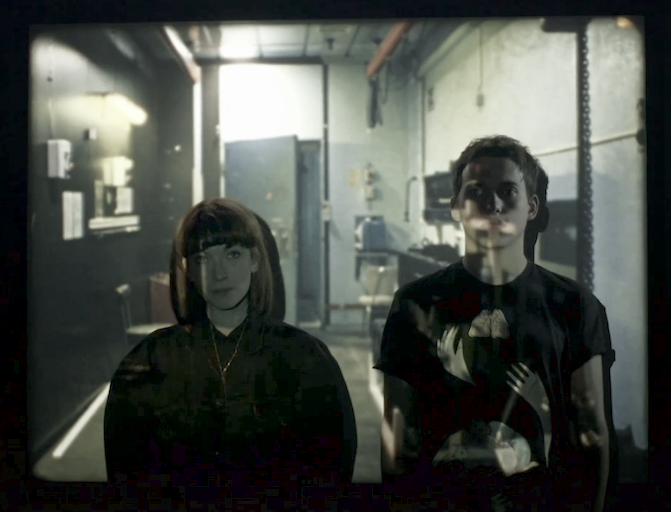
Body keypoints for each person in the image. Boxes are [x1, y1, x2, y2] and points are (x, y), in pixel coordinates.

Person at [374, 135, 614, 511]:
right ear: (456, 206)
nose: (493, 203)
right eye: (477, 190)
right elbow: (398, 437)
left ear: (532, 207)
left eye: (507, 190)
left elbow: (590, 431)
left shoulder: (574, 306)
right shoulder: (415, 304)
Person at [104, 198, 357, 491]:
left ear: (255, 260)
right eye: (203, 259)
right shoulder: (150, 360)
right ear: (187, 269)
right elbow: (126, 471)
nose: (219, 273)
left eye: (233, 254)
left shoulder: (306, 358)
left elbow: (332, 467)